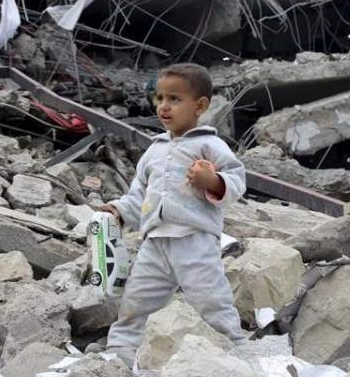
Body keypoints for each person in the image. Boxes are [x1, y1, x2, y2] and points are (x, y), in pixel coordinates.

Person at [100, 63, 246, 368]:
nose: (164, 106)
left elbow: (236, 180)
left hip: (195, 240)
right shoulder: (154, 151)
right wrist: (119, 211)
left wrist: (212, 181)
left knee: (211, 300)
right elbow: (140, 195)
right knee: (137, 300)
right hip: (155, 243)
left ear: (200, 106)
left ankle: (235, 350)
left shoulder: (210, 145)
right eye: (160, 98)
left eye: (174, 99)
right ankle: (120, 352)